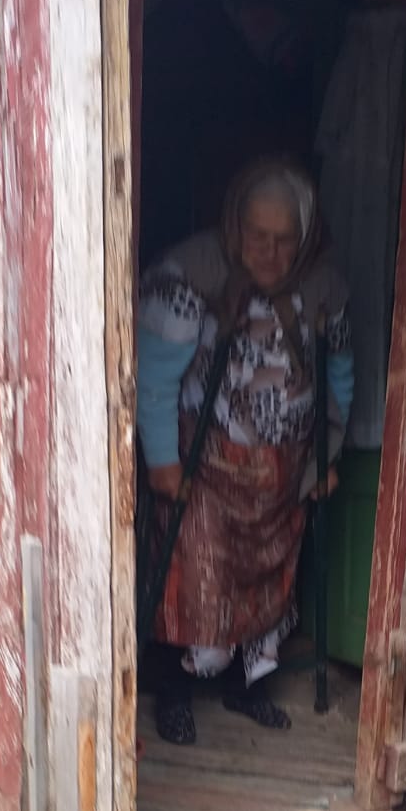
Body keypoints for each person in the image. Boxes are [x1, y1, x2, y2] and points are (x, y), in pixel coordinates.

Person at [136, 159, 354, 745]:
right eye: (258, 235)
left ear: (304, 237)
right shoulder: (191, 273)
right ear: (236, 225)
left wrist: (327, 456)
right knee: (194, 576)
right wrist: (162, 460)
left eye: (285, 240)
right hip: (204, 466)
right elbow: (153, 376)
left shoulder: (324, 286)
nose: (270, 253)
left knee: (269, 583)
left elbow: (339, 374)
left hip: (283, 471)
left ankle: (246, 687)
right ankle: (174, 691)